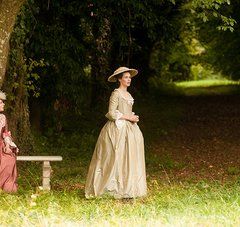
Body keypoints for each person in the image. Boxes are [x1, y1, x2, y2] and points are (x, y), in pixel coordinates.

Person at [85, 66, 147, 199]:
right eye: (126, 77)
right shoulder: (116, 93)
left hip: (130, 129)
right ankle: (111, 188)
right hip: (117, 130)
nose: (129, 79)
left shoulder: (129, 94)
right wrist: (127, 117)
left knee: (128, 157)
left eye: (129, 77)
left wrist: (133, 117)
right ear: (119, 79)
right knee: (115, 157)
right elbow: (111, 113)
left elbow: (127, 112)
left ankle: (128, 187)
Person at [0, 91, 19, 192]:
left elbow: (5, 133)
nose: (3, 104)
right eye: (1, 102)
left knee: (9, 160)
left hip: (0, 145)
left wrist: (8, 144)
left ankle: (6, 188)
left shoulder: (2, 118)